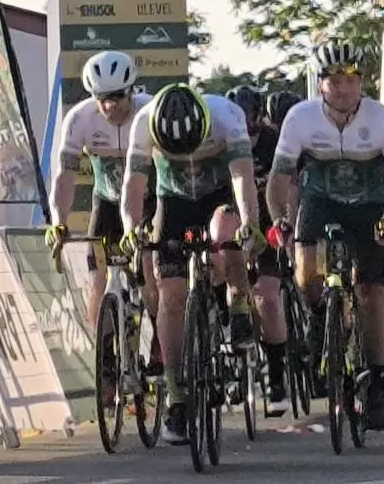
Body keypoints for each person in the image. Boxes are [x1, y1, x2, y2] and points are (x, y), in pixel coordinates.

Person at [269, 41, 384, 431]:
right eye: (336, 81)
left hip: (368, 203)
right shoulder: (300, 119)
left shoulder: (382, 119)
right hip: (320, 201)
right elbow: (280, 178)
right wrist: (279, 219)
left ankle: (378, 379)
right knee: (305, 271)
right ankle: (319, 320)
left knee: (370, 292)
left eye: (351, 79)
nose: (345, 88)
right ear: (321, 85)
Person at [120, 84, 263, 444]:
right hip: (174, 200)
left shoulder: (227, 117)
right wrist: (130, 230)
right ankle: (177, 394)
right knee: (170, 293)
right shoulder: (142, 122)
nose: (188, 159)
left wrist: (250, 225)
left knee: (229, 233)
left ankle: (239, 301)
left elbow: (243, 177)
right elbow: (134, 187)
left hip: (218, 194)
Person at [44, 51, 154, 347]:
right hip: (106, 200)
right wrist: (59, 223)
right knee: (96, 279)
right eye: (100, 96)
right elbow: (64, 178)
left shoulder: (150, 112)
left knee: (150, 269)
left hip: (148, 201)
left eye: (117, 96)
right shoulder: (79, 118)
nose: (108, 105)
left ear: (132, 89)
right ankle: (101, 355)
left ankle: (159, 347)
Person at [245, 86, 297, 416]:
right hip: (236, 218)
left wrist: (289, 227)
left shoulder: (272, 143)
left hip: (269, 220)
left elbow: (290, 189)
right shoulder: (220, 143)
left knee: (267, 296)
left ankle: (277, 374)